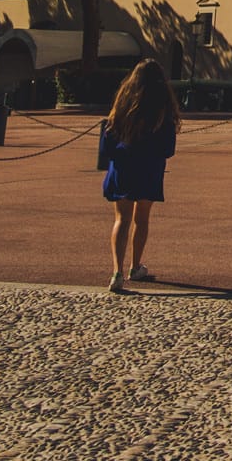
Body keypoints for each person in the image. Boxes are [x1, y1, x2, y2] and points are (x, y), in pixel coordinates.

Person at [98, 60, 181, 294]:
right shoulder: (162, 110)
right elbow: (168, 149)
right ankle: (135, 266)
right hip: (149, 167)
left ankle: (117, 271)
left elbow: (108, 141)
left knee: (121, 219)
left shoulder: (122, 104)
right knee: (141, 218)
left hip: (123, 165)